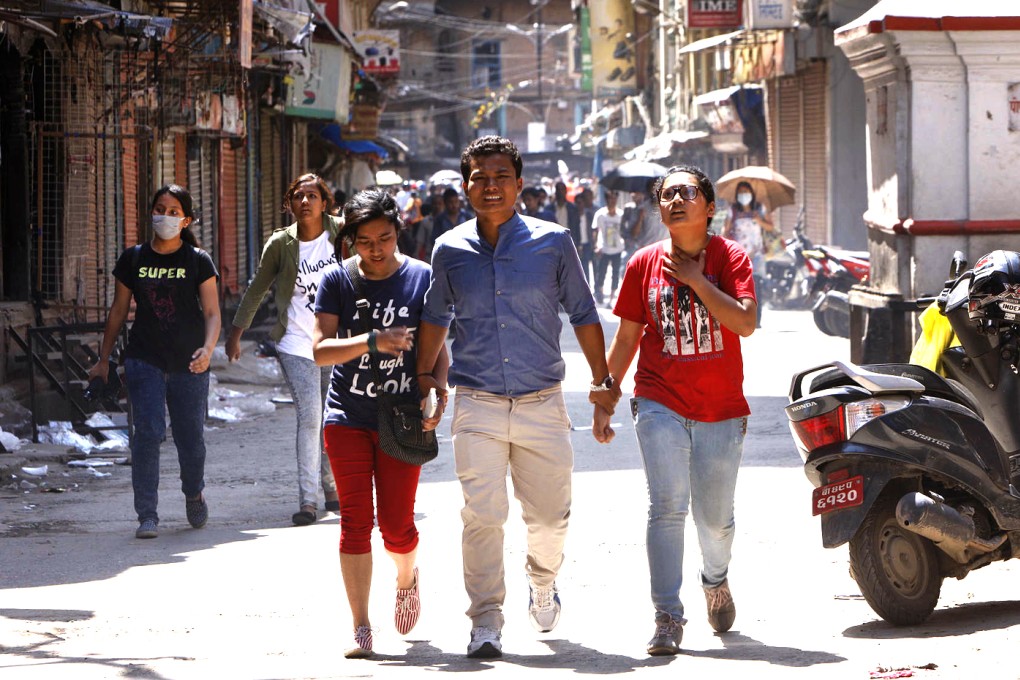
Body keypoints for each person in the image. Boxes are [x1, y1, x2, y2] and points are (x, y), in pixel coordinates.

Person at [415, 135, 611, 659]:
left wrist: (602, 380)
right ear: (466, 186)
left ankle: (543, 579)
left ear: (520, 185)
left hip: (541, 401)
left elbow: (585, 312)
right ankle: (485, 619)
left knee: (549, 518)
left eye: (501, 176)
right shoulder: (450, 248)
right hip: (476, 402)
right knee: (482, 516)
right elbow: (435, 319)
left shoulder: (554, 242)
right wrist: (426, 382)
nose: (490, 186)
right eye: (479, 177)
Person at [590, 165, 757, 656]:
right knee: (665, 507)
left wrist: (696, 280)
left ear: (709, 207)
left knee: (715, 519)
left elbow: (745, 323)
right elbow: (626, 338)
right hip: (659, 398)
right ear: (659, 208)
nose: (676, 200)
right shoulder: (642, 263)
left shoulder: (731, 257)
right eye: (667, 194)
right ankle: (667, 615)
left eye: (687, 192)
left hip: (722, 407)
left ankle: (715, 579)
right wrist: (606, 398)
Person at [312, 188, 449, 659]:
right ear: (350, 240)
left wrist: (437, 389)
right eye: (365, 240)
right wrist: (371, 340)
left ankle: (407, 577)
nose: (376, 248)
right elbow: (320, 351)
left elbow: (436, 345)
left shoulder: (421, 278)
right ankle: (361, 627)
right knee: (354, 522)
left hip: (404, 417)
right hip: (346, 416)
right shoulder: (337, 281)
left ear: (398, 232)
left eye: (385, 238)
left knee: (396, 525)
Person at [89, 184, 221, 539]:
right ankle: (147, 514)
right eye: (160, 208)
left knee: (190, 437)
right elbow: (118, 311)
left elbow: (212, 312)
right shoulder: (133, 259)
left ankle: (193, 491)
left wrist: (208, 350)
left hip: (190, 362)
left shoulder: (198, 260)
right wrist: (103, 360)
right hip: (144, 358)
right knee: (146, 433)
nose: (165, 216)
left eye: (174, 211)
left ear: (186, 219)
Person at [225, 173, 340, 526]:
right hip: (294, 342)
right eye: (298, 197)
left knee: (331, 418)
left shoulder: (343, 234)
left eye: (312, 196)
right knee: (310, 417)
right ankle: (308, 501)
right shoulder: (281, 244)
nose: (305, 202)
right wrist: (236, 333)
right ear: (289, 204)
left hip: (336, 342)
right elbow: (258, 288)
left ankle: (332, 487)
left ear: (324, 202)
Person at [723, 181, 774, 328]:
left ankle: (757, 319)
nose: (743, 195)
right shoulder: (733, 210)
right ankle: (743, 316)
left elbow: (770, 227)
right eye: (741, 192)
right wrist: (727, 228)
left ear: (751, 193)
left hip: (757, 253)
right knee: (741, 287)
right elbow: (726, 231)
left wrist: (759, 220)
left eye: (746, 192)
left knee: (757, 286)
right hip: (739, 255)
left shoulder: (760, 209)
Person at [592, 190, 625, 305]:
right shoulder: (600, 214)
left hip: (618, 249)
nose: (612, 201)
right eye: (610, 198)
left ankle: (611, 299)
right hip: (604, 249)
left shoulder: (621, 215)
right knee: (601, 273)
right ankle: (600, 293)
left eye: (614, 198)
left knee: (615, 274)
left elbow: (624, 231)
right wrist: (596, 245)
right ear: (606, 200)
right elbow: (595, 230)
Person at [427, 186, 471, 257]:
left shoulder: (466, 216)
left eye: (456, 202)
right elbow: (435, 240)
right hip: (446, 255)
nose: (454, 205)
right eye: (450, 202)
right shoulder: (440, 219)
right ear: (445, 203)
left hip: (466, 254)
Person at [574, 187, 597, 286]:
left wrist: (595, 242)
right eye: (577, 203)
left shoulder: (589, 214)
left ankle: (597, 288)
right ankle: (587, 288)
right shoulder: (573, 216)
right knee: (584, 267)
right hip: (579, 244)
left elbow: (594, 229)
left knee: (595, 265)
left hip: (589, 243)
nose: (579, 205)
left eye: (581, 202)